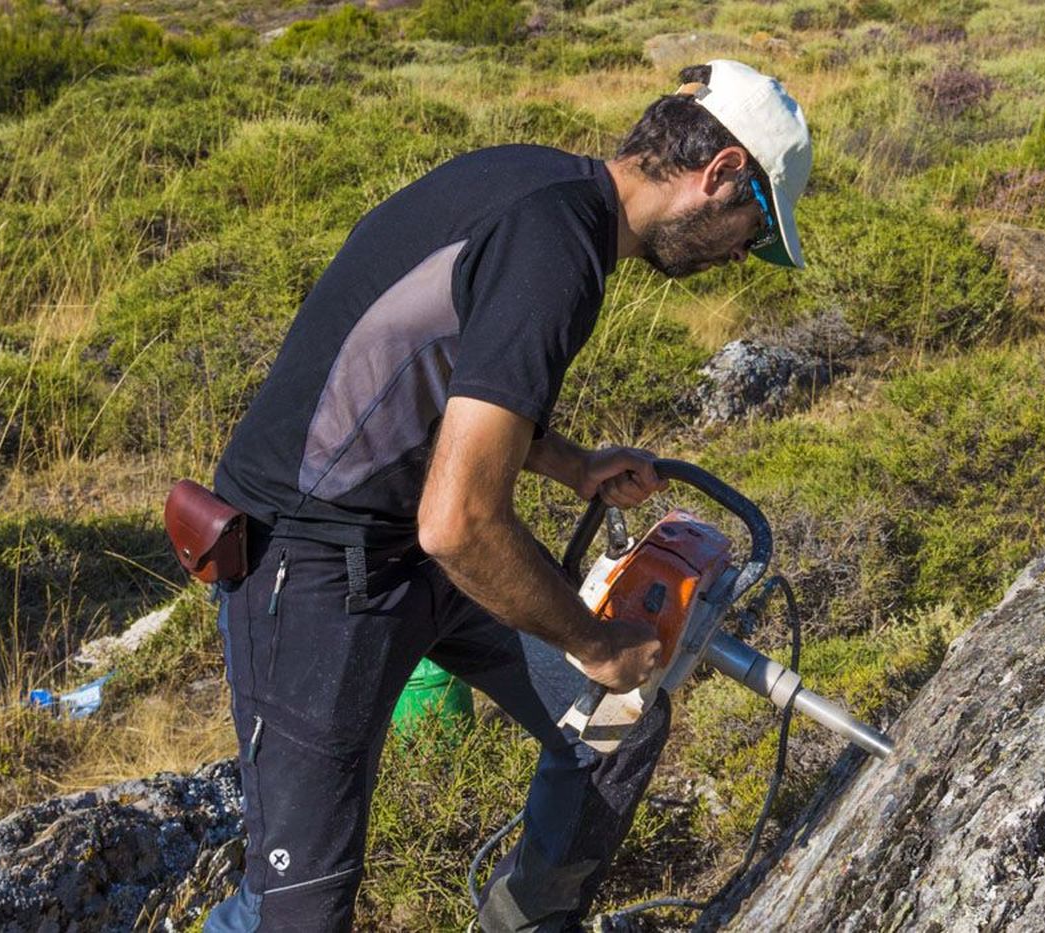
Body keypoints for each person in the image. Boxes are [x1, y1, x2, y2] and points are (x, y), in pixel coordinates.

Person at [201, 59, 811, 932]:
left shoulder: (544, 190)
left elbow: (445, 387)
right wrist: (596, 643)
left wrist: (570, 464)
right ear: (721, 173)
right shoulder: (557, 247)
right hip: (311, 567)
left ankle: (529, 921)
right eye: (756, 229)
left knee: (614, 727)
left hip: (404, 548)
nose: (742, 255)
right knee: (293, 910)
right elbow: (459, 523)